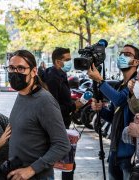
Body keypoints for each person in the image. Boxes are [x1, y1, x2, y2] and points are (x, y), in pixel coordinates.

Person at [6, 50, 70, 179]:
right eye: (11, 68)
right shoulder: (22, 94)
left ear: (34, 71)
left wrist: (31, 170)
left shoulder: (44, 101)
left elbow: (62, 144)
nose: (15, 73)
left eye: (21, 68)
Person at [88, 44, 139, 180]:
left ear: (136, 62)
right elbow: (113, 117)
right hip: (115, 151)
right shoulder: (120, 85)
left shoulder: (136, 84)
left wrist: (100, 80)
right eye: (121, 54)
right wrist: (101, 109)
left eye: (127, 54)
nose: (122, 57)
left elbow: (119, 100)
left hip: (129, 153)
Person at [44, 47, 83, 179]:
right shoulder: (52, 77)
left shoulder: (60, 75)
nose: (69, 62)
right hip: (54, 127)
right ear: (57, 61)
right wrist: (73, 106)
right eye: (67, 60)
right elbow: (52, 107)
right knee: (65, 162)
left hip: (62, 124)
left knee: (69, 163)